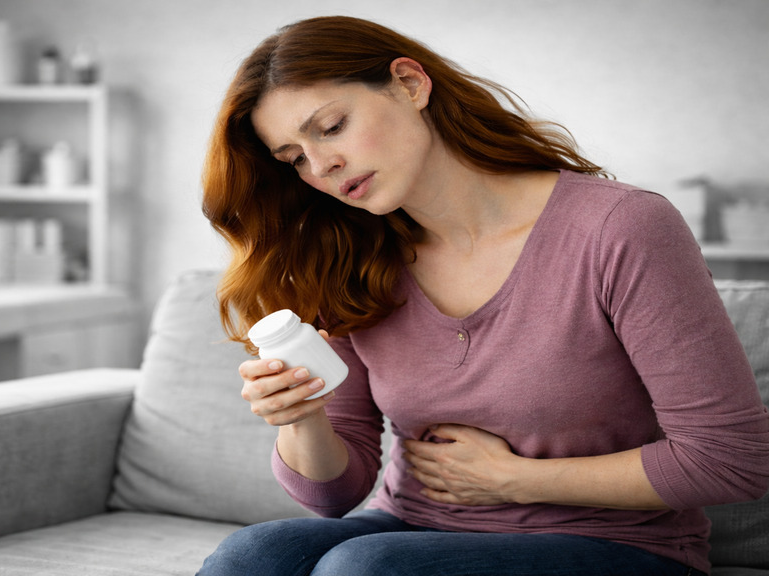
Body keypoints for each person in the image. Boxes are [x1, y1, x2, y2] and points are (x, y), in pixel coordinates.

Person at [197, 15, 769, 576]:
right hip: (414, 530)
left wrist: (513, 479)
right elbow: (332, 497)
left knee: (365, 568)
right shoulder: (350, 256)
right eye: (295, 158)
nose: (321, 165)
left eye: (331, 126)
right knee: (251, 556)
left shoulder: (621, 228)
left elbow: (732, 461)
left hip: (617, 545)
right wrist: (302, 417)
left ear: (410, 84)